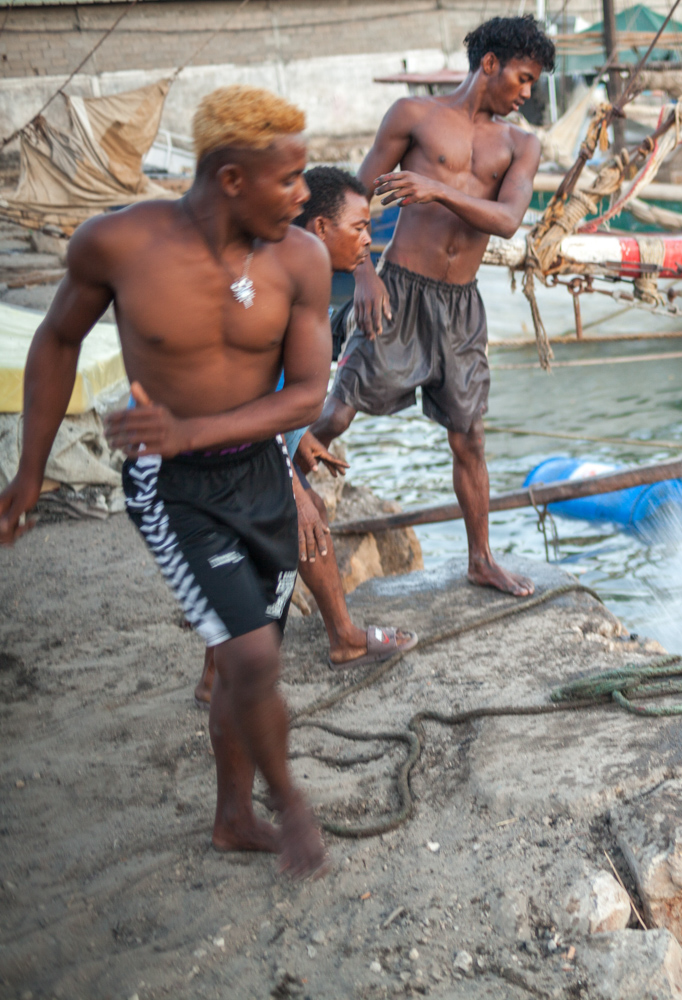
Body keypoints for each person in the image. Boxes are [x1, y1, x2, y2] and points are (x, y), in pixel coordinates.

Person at [0, 86, 331, 878]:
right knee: (251, 661)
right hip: (170, 488)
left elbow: (306, 394)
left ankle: (230, 819)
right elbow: (55, 341)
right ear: (230, 179)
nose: (303, 195)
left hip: (258, 476)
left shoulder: (301, 257)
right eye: (287, 180)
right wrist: (29, 474)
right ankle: (289, 808)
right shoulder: (118, 245)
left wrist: (198, 429)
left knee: (246, 648)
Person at [310, 14, 554, 598]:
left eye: (534, 84)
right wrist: (362, 273)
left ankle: (481, 560)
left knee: (469, 436)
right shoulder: (412, 116)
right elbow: (355, 197)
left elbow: (508, 221)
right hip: (398, 289)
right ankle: (279, 501)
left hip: (461, 307)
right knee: (338, 415)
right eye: (522, 78)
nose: (527, 94)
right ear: (489, 63)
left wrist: (439, 189)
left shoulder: (521, 144)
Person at [192, 166, 417, 709]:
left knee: (300, 511)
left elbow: (273, 394)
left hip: (233, 432)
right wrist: (289, 484)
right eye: (360, 228)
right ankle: (235, 673)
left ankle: (332, 638)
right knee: (294, 518)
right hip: (204, 439)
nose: (368, 240)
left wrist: (298, 445)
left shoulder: (294, 274)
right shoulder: (272, 289)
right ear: (319, 227)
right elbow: (240, 397)